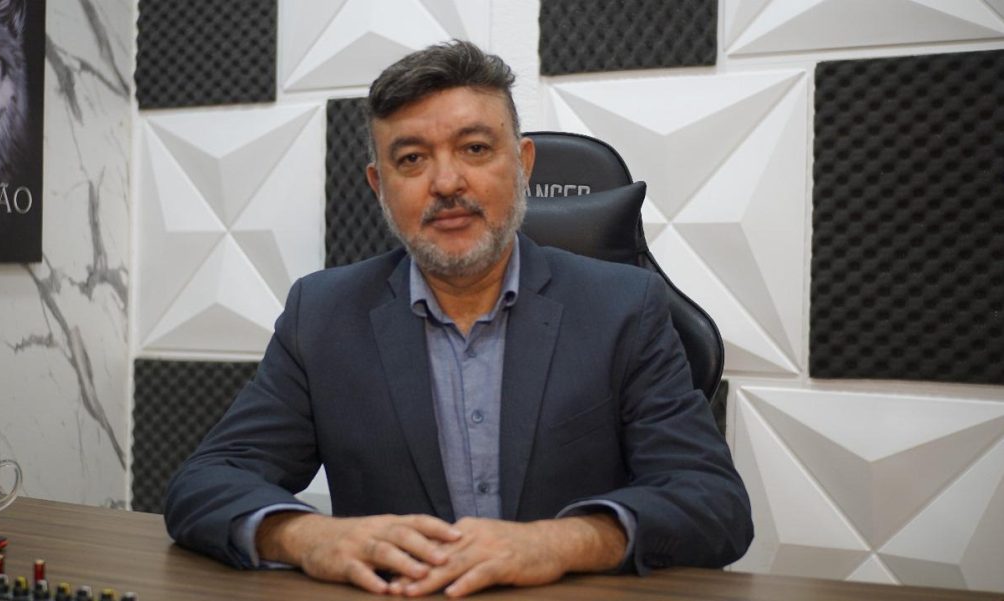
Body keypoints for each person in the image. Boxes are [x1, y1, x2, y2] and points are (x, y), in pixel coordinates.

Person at [164, 40, 753, 598]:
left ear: (522, 164)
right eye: (412, 159)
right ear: (379, 186)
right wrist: (306, 536)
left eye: (475, 149)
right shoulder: (321, 315)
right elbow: (205, 482)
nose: (446, 183)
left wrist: (562, 542)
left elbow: (714, 503)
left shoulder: (624, 306)